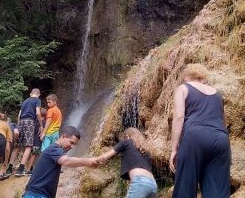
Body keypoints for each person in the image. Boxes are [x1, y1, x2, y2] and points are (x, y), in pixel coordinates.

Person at [169, 63, 231, 198]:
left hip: (195, 137)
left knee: (185, 186)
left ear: (186, 77)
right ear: (203, 78)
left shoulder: (183, 88)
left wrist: (174, 149)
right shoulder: (217, 94)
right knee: (217, 190)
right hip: (220, 139)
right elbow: (223, 122)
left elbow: (179, 117)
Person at [22, 126, 98, 198]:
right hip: (36, 195)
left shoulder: (53, 150)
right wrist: (89, 161)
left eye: (74, 144)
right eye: (71, 142)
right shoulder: (54, 149)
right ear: (63, 137)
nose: (72, 147)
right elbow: (66, 161)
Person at [96, 127, 157, 198]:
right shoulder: (146, 152)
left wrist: (95, 160)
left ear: (128, 136)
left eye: (124, 137)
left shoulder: (126, 142)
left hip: (140, 182)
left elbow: (105, 157)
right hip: (153, 185)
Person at [15, 88, 43, 176]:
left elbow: (19, 115)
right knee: (29, 146)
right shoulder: (37, 101)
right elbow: (38, 113)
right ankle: (21, 169)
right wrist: (41, 125)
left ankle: (10, 167)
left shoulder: (25, 101)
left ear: (31, 94)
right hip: (30, 122)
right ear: (38, 94)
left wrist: (19, 125)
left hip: (21, 122)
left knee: (19, 145)